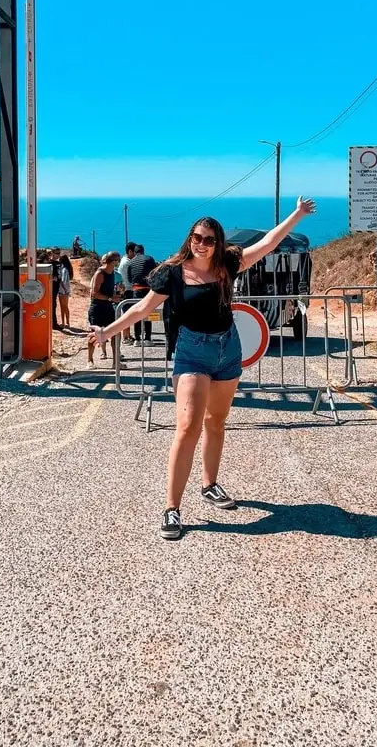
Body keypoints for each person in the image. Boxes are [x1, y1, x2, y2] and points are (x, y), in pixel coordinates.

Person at [88, 196, 317, 540]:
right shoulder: (172, 273)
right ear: (189, 238)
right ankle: (171, 509)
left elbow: (268, 243)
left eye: (210, 239)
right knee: (187, 427)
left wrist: (296, 214)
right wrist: (106, 331)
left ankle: (209, 485)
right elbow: (139, 310)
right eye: (197, 237)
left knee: (216, 422)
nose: (203, 244)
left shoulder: (228, 264)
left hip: (228, 349)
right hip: (192, 352)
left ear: (218, 242)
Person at [86, 251, 122, 369]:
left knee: (115, 332)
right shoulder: (100, 273)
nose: (119, 262)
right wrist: (111, 298)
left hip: (108, 307)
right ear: (113, 262)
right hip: (97, 308)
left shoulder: (112, 273)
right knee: (94, 334)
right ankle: (90, 361)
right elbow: (94, 293)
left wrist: (117, 292)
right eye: (117, 260)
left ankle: (116, 362)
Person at [129, 243, 158, 346]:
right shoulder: (149, 259)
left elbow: (129, 278)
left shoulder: (131, 262)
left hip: (136, 289)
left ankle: (137, 339)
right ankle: (148, 338)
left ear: (135, 252)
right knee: (148, 313)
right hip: (147, 289)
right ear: (143, 251)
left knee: (137, 313)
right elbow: (155, 273)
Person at [119, 242, 137, 344]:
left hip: (127, 290)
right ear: (130, 251)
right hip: (128, 290)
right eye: (134, 252)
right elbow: (130, 279)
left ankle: (128, 335)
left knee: (128, 314)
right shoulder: (127, 263)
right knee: (127, 315)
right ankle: (125, 337)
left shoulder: (126, 261)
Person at [58, 253, 73, 329]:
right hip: (65, 290)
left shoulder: (64, 270)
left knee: (63, 307)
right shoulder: (66, 269)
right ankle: (65, 322)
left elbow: (63, 281)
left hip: (62, 290)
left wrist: (64, 290)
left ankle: (65, 322)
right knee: (64, 307)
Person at [50, 249, 62, 331]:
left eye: (59, 253)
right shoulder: (49, 263)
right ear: (52, 253)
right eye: (56, 253)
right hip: (51, 288)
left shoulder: (58, 263)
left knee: (54, 305)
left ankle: (53, 323)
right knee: (52, 305)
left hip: (57, 287)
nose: (58, 255)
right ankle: (53, 324)